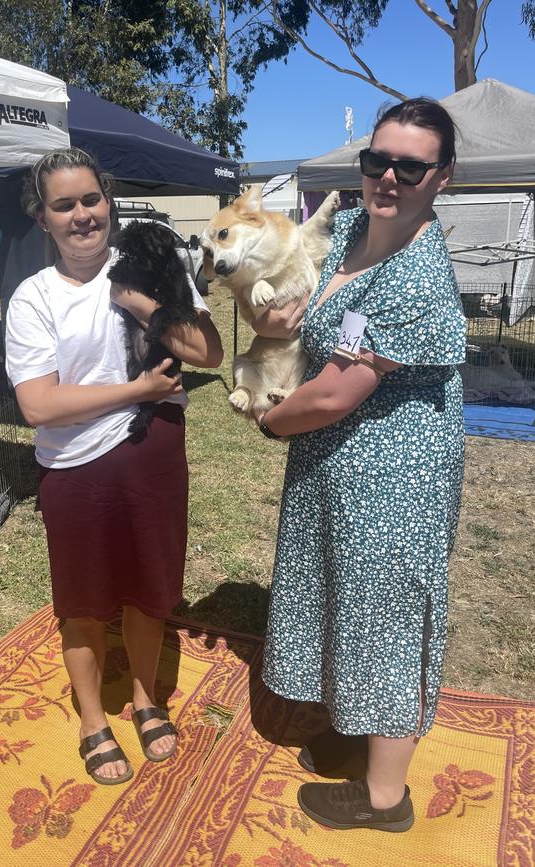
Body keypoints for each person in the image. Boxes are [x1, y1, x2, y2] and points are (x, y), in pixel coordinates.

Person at [256, 98, 467, 832]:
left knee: (387, 611)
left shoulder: (418, 275)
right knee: (349, 595)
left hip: (394, 477)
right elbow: (306, 314)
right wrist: (280, 320)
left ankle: (385, 797)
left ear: (442, 177)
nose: (388, 176)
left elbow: (336, 391)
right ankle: (359, 730)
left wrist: (270, 421)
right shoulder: (347, 230)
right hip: (342, 464)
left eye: (411, 166)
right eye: (378, 159)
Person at [4, 147, 223, 785]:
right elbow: (39, 404)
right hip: (75, 467)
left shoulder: (150, 269)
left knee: (150, 591)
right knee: (83, 602)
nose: (81, 216)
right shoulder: (33, 299)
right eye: (63, 205)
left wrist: (143, 305)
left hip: (153, 456)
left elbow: (206, 350)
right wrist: (136, 391)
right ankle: (94, 717)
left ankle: (148, 697)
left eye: (91, 200)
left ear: (110, 202)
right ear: (43, 219)